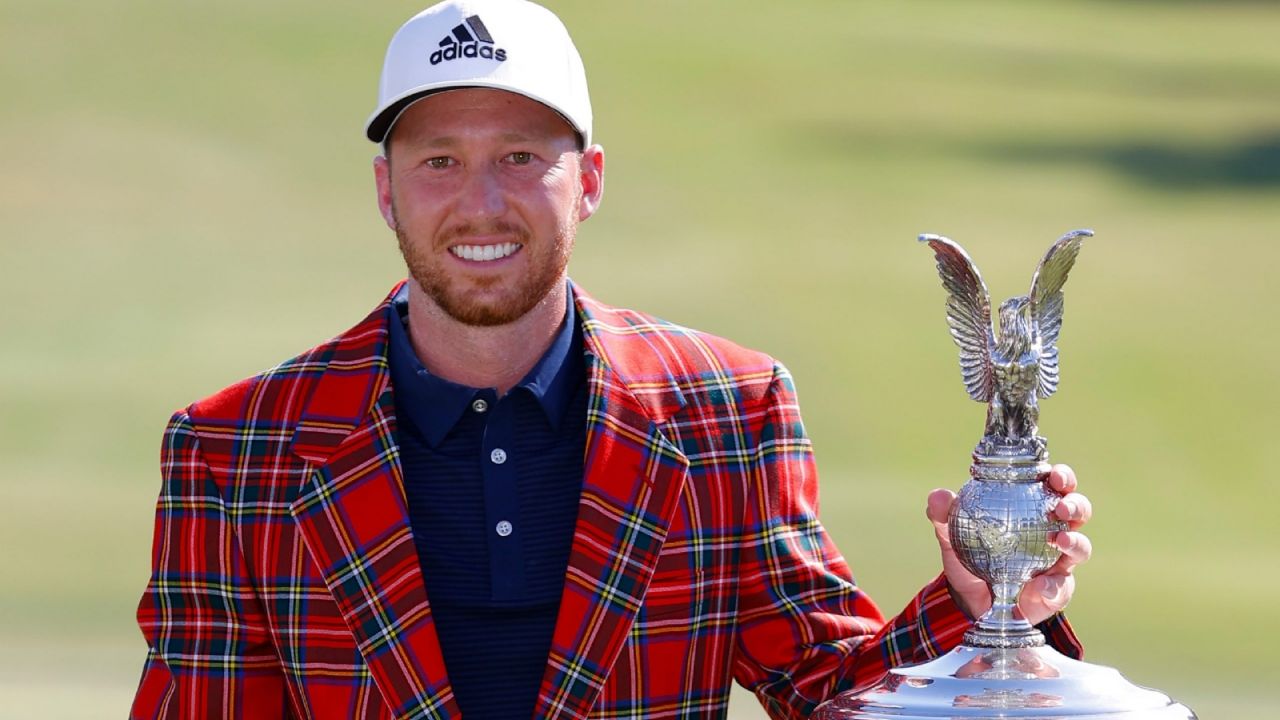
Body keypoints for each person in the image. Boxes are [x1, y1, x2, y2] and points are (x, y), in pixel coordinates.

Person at [131, 1, 1093, 718]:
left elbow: (825, 690)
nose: (482, 202)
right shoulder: (233, 450)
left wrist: (973, 604)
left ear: (586, 181)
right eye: (439, 161)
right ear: (386, 191)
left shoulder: (725, 409)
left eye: (520, 156)